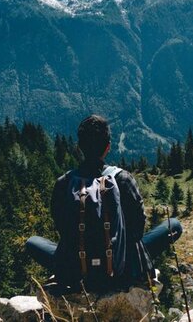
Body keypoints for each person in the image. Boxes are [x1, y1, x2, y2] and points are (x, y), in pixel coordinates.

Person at [26, 114, 182, 292]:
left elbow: (64, 230)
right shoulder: (123, 179)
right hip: (120, 272)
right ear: (108, 147)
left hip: (75, 272)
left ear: (79, 147)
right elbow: (137, 231)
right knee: (174, 225)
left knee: (32, 242)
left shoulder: (64, 184)